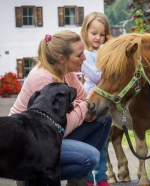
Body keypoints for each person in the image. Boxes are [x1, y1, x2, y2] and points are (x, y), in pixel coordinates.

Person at [9, 30, 112, 186]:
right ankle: (34, 178)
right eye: (79, 55)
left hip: (49, 136)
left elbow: (84, 96)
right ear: (62, 59)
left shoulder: (65, 72)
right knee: (89, 158)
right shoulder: (43, 78)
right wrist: (83, 107)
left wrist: (84, 107)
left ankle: (76, 180)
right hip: (29, 148)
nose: (84, 58)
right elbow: (57, 126)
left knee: (103, 118)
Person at [81, 12, 112, 186]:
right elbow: (97, 76)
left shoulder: (106, 51)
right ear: (85, 32)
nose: (98, 38)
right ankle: (86, 178)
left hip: (104, 104)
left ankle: (101, 177)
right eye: (94, 33)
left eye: (102, 34)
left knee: (103, 144)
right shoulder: (84, 55)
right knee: (89, 142)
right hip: (90, 103)